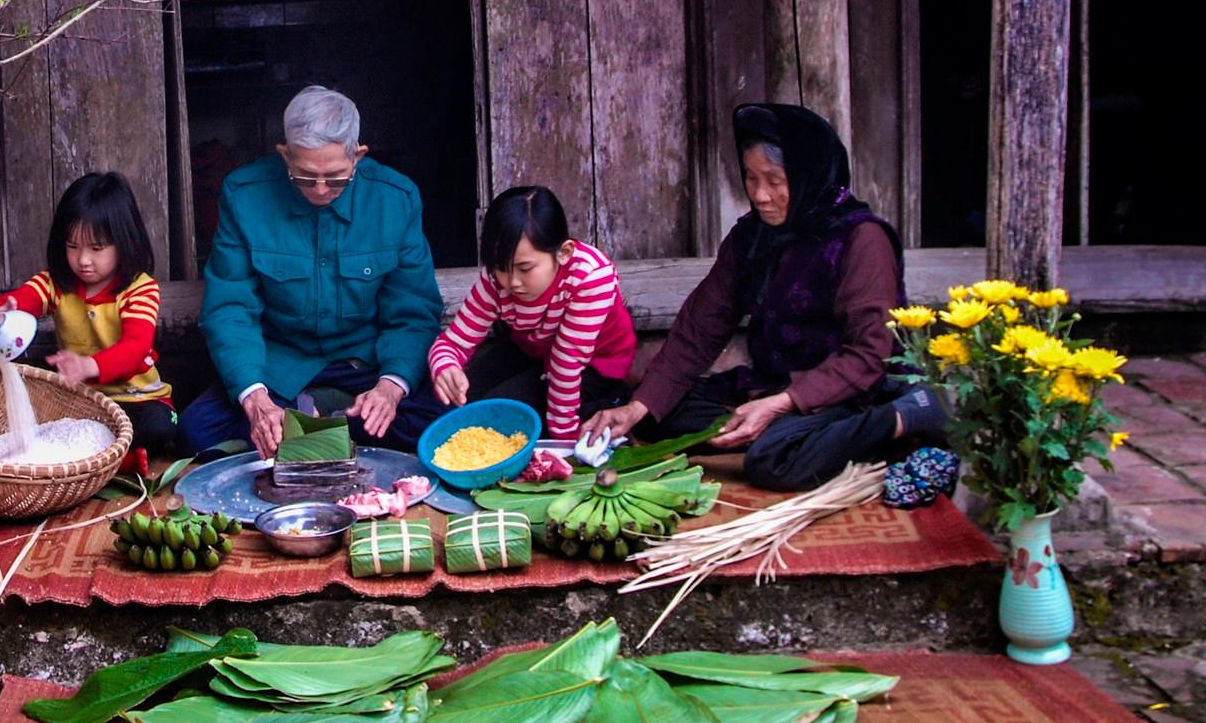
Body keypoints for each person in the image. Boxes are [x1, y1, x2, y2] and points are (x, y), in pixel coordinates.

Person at [582, 103, 944, 491]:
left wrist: (783, 403)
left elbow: (870, 354)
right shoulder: (752, 236)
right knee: (655, 411)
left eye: (774, 180)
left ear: (809, 176)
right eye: (751, 178)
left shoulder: (861, 238)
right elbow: (701, 327)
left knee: (772, 461)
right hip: (774, 383)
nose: (759, 195)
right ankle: (787, 435)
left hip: (851, 392)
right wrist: (639, 407)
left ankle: (905, 416)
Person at [178, 85, 445, 457]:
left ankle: (312, 422)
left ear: (358, 156)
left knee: (442, 423)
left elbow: (413, 310)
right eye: (304, 176)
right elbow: (230, 308)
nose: (320, 190)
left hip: (364, 362)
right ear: (285, 155)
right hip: (280, 365)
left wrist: (390, 388)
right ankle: (328, 424)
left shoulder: (395, 199)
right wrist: (255, 399)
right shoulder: (244, 195)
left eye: (335, 177)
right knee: (198, 432)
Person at [0, 171, 176, 464]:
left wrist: (89, 366)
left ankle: (109, 461)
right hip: (80, 402)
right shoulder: (56, 284)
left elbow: (135, 348)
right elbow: (20, 301)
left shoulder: (140, 289)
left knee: (160, 425)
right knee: (38, 421)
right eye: (72, 246)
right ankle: (116, 461)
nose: (83, 260)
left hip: (136, 400)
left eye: (96, 248)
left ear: (124, 242)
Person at [427, 186, 636, 439]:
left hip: (593, 364)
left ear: (563, 253)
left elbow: (567, 364)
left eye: (525, 269)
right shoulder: (495, 280)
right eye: (500, 268)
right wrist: (445, 366)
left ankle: (610, 399)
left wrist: (564, 441)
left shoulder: (591, 278)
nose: (512, 282)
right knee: (457, 407)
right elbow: (453, 342)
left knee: (498, 423)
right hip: (534, 350)